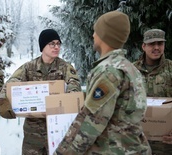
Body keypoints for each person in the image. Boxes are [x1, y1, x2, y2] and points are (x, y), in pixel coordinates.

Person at [53, 10, 151, 155]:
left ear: (105, 35)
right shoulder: (129, 68)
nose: (93, 35)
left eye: (96, 31)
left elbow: (91, 123)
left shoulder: (109, 71)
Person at [0, 28, 82, 155]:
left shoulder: (65, 67)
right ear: (43, 46)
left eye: (58, 43)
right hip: (33, 131)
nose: (56, 47)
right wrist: (3, 100)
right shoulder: (29, 67)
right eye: (52, 44)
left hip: (57, 129)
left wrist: (67, 102)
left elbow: (74, 84)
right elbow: (12, 82)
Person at [134, 29, 172, 155]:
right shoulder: (130, 71)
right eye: (152, 44)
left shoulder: (171, 69)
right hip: (137, 143)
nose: (156, 47)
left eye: (160, 43)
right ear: (143, 46)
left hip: (165, 145)